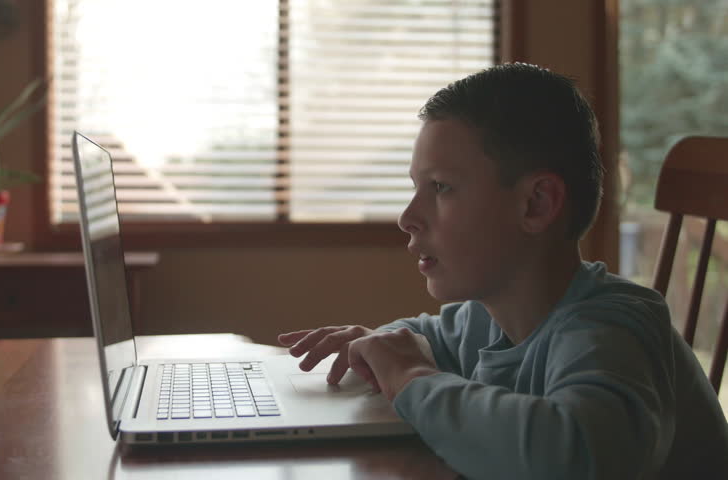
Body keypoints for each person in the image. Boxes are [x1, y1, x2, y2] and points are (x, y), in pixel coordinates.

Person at [277, 63, 728, 479]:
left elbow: (576, 456)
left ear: (536, 203)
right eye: (416, 187)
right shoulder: (486, 318)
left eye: (441, 187)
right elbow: (424, 337)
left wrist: (410, 376)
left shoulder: (611, 328)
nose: (408, 216)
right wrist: (378, 345)